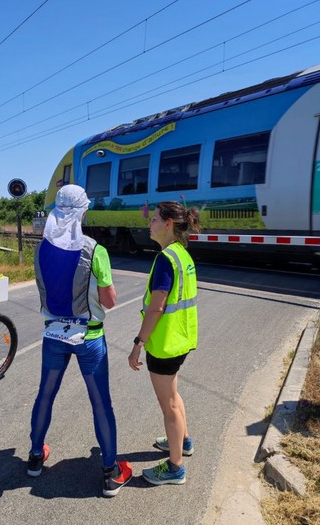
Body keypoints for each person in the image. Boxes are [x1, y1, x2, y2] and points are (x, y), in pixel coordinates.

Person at [28, 184, 132, 497]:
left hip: (54, 333)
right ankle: (110, 471)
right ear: (82, 211)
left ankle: (35, 457)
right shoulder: (93, 249)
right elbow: (110, 301)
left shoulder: (41, 246)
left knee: (45, 395)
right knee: (101, 402)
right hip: (90, 337)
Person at [128, 201, 200, 485]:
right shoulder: (182, 254)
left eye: (155, 219)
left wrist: (138, 342)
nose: (150, 223)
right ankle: (183, 442)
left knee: (168, 404)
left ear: (168, 223)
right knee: (174, 394)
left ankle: (175, 467)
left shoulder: (165, 259)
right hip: (181, 339)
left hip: (164, 343)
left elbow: (156, 307)